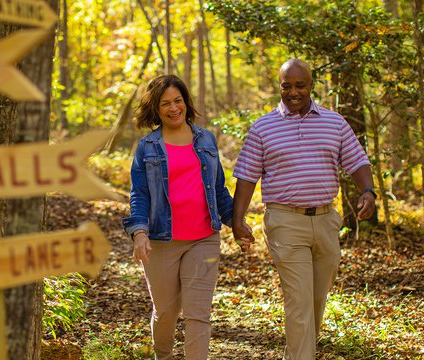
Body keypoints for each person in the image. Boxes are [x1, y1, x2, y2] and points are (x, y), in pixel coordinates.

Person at [232, 59, 377, 359]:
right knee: (299, 302)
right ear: (280, 87)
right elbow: (246, 177)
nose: (293, 92)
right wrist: (238, 220)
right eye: (287, 86)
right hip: (285, 221)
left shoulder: (334, 122)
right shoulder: (263, 127)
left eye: (300, 85)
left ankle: (296, 353)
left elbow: (357, 161)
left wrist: (368, 191)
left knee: (315, 300)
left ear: (311, 85)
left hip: (326, 220)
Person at [122, 74, 236, 359]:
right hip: (162, 241)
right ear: (156, 109)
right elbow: (139, 194)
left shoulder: (205, 139)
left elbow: (219, 189)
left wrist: (238, 222)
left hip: (204, 238)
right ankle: (163, 355)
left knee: (198, 314)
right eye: (165, 104)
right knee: (166, 312)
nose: (174, 108)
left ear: (186, 102)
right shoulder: (147, 147)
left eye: (178, 101)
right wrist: (139, 232)